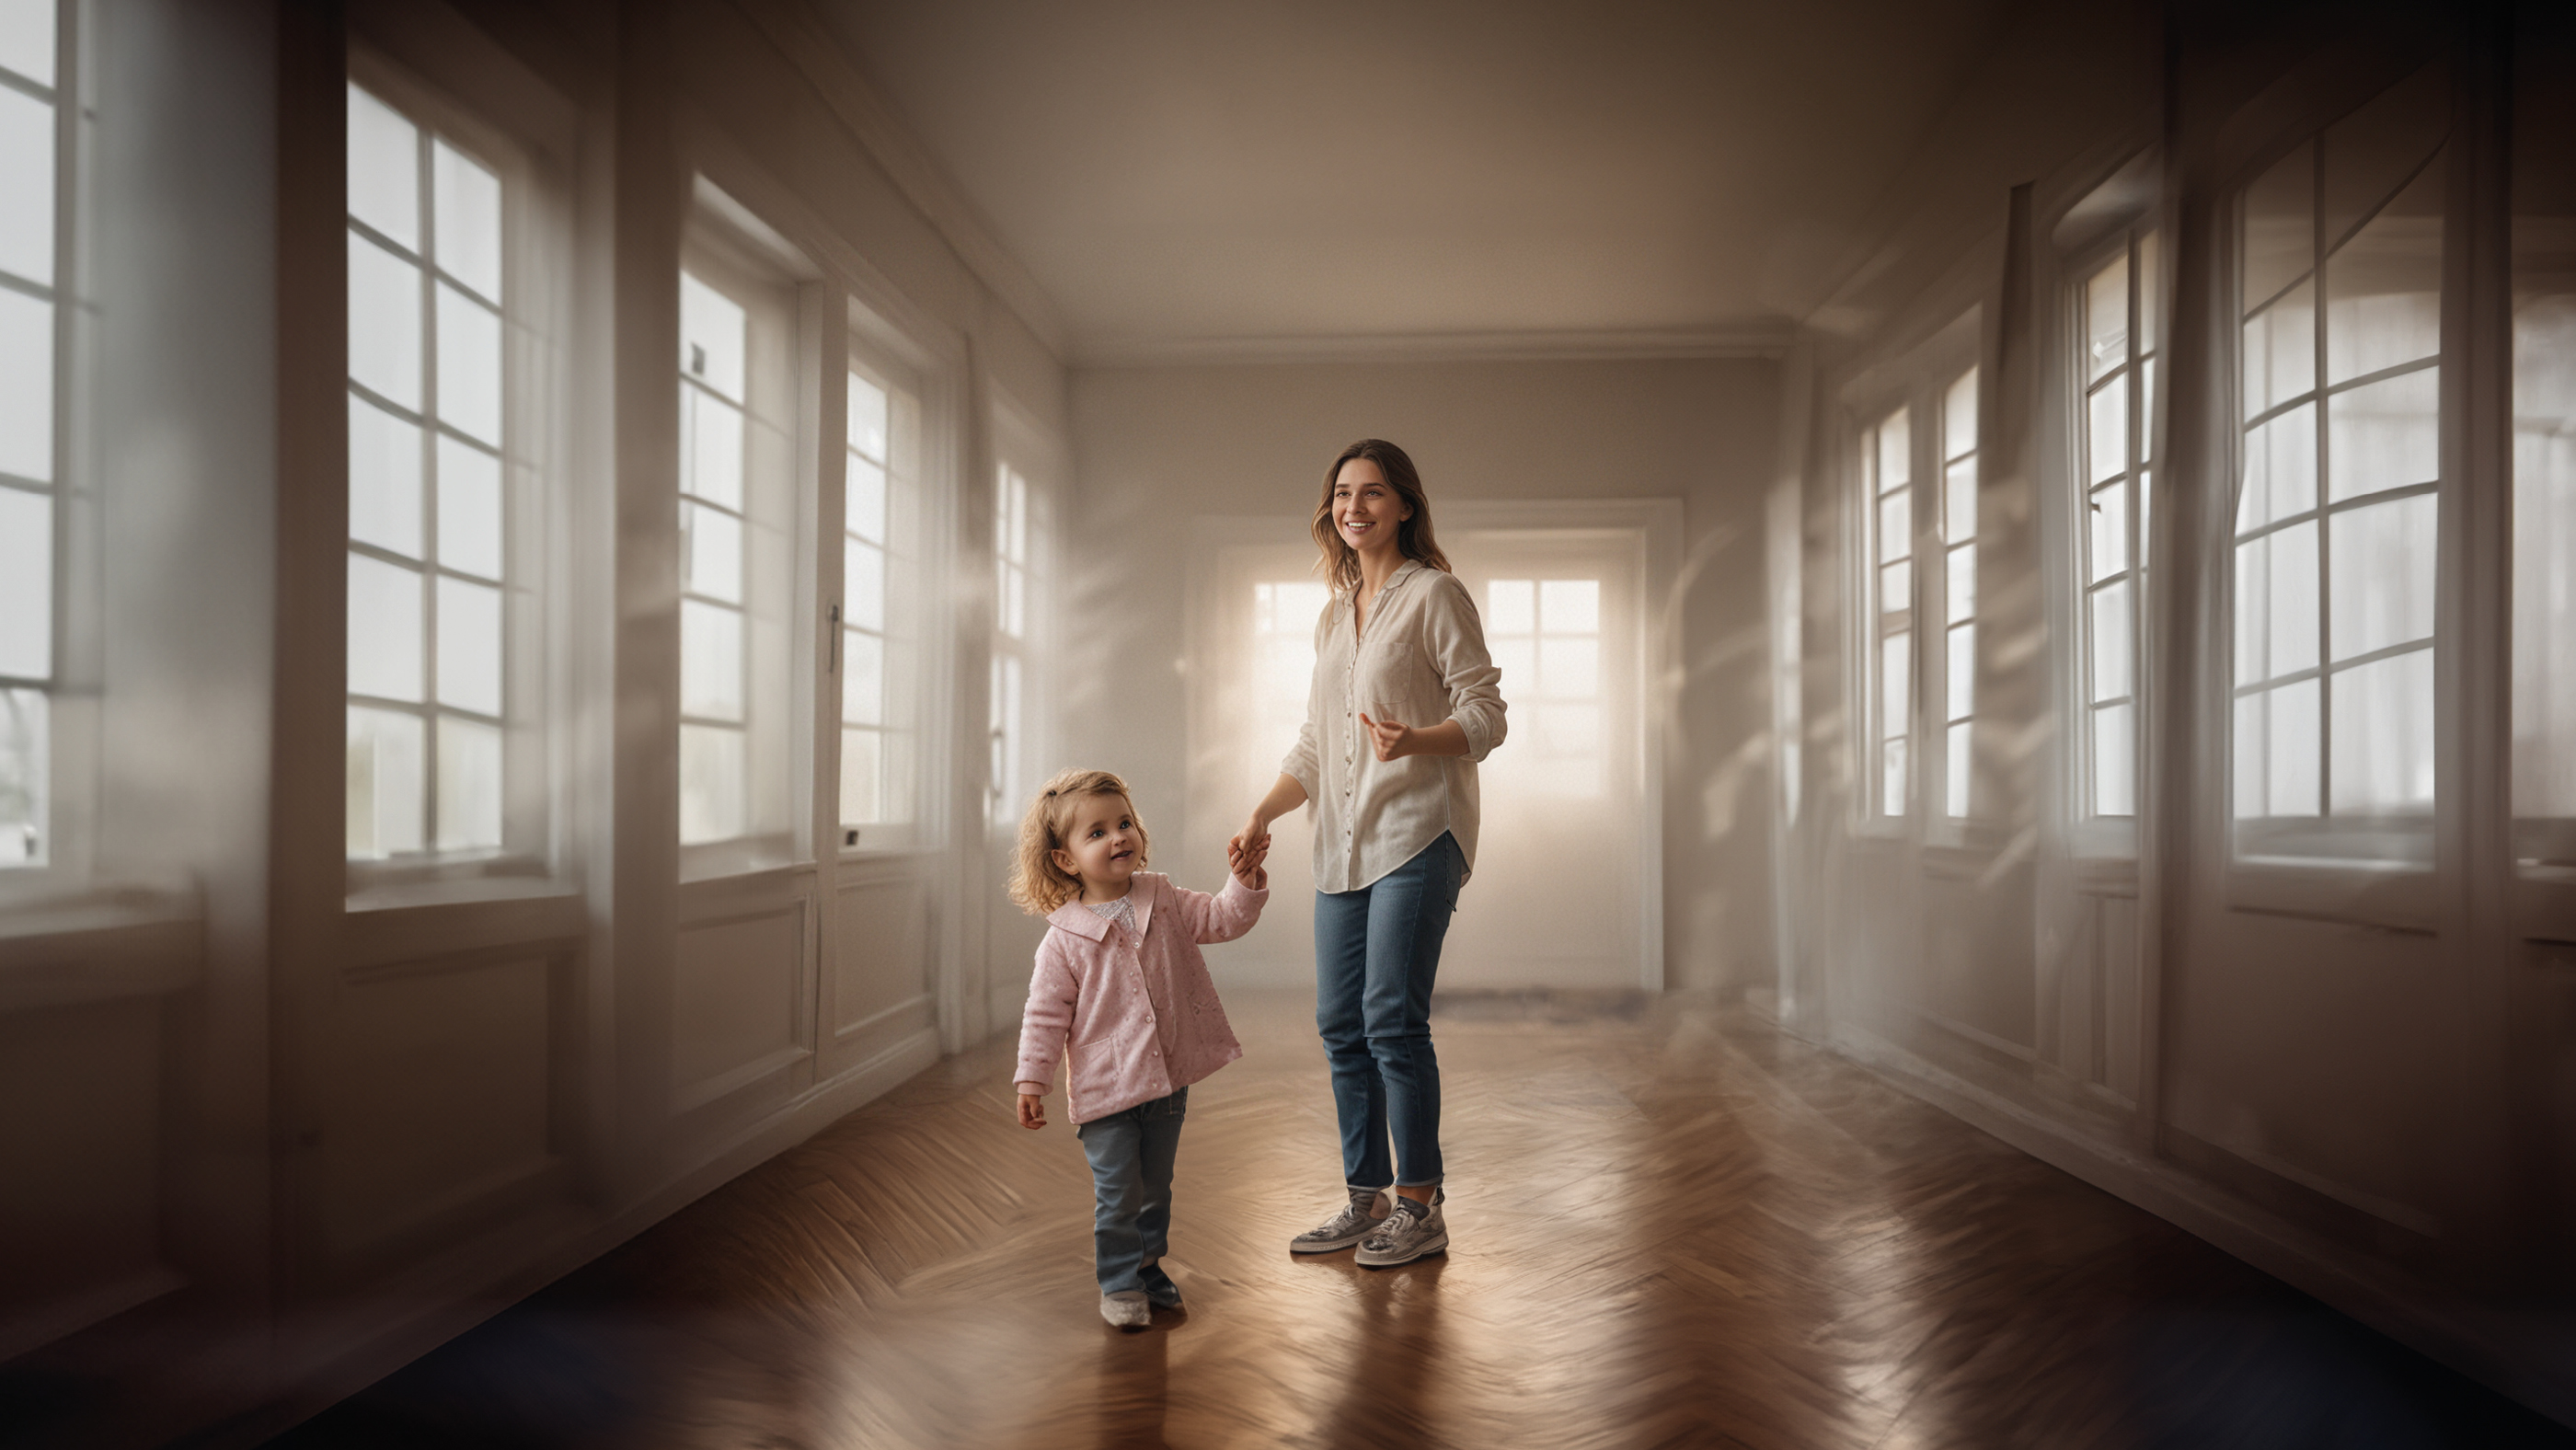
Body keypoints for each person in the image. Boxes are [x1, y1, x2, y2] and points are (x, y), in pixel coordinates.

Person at [1232, 438, 1505, 1269]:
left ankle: (1421, 1206)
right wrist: (1263, 815)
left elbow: (1488, 717)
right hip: (1339, 849)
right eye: (1343, 494)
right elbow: (1316, 744)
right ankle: (1367, 1198)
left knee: (1391, 1018)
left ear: (1405, 506)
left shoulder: (1435, 595)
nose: (1355, 507)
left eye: (1374, 493)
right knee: (1339, 1024)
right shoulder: (1331, 616)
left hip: (1420, 834)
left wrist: (1416, 738)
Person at [1011, 767, 1271, 1328]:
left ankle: (1150, 1266)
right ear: (1065, 860)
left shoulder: (1165, 899)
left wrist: (1244, 881)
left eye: (1123, 823)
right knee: (1118, 1194)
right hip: (1106, 1090)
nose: (1118, 837)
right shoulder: (1064, 939)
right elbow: (1044, 1015)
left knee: (1156, 1189)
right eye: (1097, 832)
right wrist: (1032, 1080)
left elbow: (1224, 920)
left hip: (1167, 1082)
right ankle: (1120, 1280)